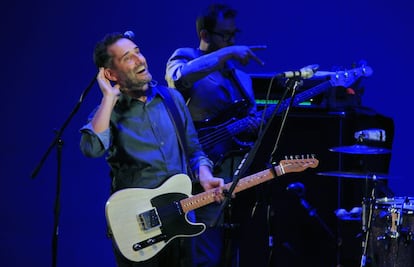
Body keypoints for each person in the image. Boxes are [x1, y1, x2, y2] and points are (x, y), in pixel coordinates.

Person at [79, 31, 224, 267]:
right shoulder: (109, 114)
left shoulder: (173, 99)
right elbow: (91, 148)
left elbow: (194, 150)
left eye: (138, 51)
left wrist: (205, 175)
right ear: (110, 73)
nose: (140, 60)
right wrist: (108, 98)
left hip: (182, 216)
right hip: (140, 227)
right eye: (127, 57)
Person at [165, 4, 266, 267]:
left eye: (234, 36)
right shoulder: (185, 57)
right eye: (225, 36)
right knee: (202, 255)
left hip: (232, 176)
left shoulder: (241, 78)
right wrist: (227, 54)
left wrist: (254, 125)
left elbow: (249, 119)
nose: (232, 42)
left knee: (231, 254)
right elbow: (179, 79)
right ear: (205, 34)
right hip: (194, 172)